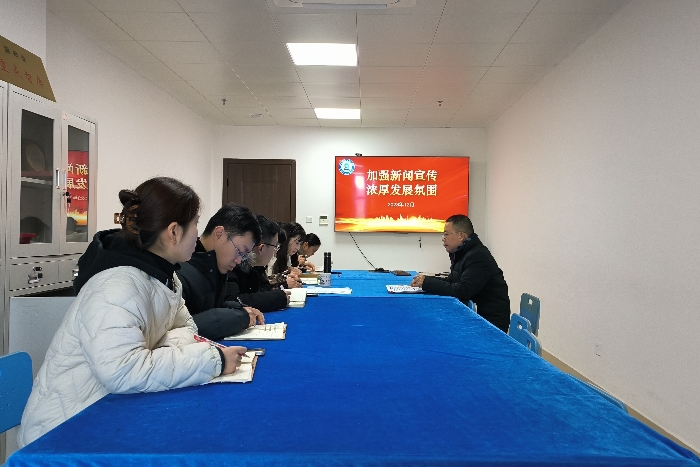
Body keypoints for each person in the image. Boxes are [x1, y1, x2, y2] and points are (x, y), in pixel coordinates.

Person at [18, 177, 246, 448]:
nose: (198, 234)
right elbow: (123, 371)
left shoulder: (166, 278)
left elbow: (188, 330)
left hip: (112, 413)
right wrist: (213, 360)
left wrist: (154, 353)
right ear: (174, 232)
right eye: (195, 223)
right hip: (64, 433)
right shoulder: (116, 286)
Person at [177, 204, 264, 340]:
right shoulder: (180, 269)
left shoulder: (214, 266)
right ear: (219, 234)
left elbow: (211, 306)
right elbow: (183, 329)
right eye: (239, 251)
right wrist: (239, 317)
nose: (239, 260)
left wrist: (240, 309)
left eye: (244, 255)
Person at [411, 215, 511, 333]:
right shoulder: (463, 253)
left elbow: (463, 290)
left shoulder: (478, 256)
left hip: (490, 324)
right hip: (477, 316)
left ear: (461, 236)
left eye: (446, 234)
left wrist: (427, 283)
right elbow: (452, 281)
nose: (443, 238)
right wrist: (425, 280)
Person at [226, 215, 289, 312]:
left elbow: (264, 289)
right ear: (261, 248)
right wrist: (278, 297)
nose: (275, 252)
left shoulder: (256, 266)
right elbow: (233, 301)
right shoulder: (233, 264)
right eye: (275, 246)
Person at [269, 221, 305, 289]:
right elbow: (267, 283)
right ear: (287, 238)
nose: (298, 248)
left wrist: (290, 275)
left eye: (300, 244)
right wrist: (285, 282)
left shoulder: (287, 255)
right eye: (297, 243)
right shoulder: (273, 253)